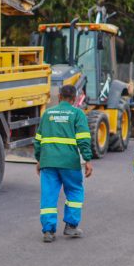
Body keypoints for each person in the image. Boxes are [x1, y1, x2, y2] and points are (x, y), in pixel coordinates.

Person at [34, 84, 93, 243]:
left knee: (49, 195)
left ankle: (48, 232)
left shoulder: (47, 114)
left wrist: (39, 159)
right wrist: (87, 159)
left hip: (48, 162)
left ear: (59, 97)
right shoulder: (77, 114)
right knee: (74, 192)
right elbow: (83, 139)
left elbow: (38, 140)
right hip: (69, 163)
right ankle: (71, 227)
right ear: (74, 99)